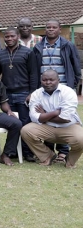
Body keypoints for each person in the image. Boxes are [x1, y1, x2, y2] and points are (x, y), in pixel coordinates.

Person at [32, 19, 81, 164]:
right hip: (45, 89)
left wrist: (73, 85)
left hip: (63, 88)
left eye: (54, 27)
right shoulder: (38, 47)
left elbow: (76, 66)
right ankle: (49, 150)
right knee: (46, 116)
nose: (51, 29)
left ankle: (63, 151)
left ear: (60, 29)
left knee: (64, 118)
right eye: (48, 27)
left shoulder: (68, 45)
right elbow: (35, 69)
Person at [21, 70, 83, 169]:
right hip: (47, 127)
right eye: (45, 80)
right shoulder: (36, 94)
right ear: (41, 81)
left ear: (58, 80)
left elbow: (65, 118)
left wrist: (44, 115)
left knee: (81, 138)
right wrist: (54, 113)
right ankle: (47, 156)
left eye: (51, 80)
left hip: (68, 127)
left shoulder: (68, 92)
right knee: (26, 131)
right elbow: (34, 117)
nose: (48, 82)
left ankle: (70, 161)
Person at [0, 27, 39, 161]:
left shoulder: (28, 53)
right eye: (6, 37)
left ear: (18, 36)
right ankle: (12, 151)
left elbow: (34, 74)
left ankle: (27, 152)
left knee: (25, 124)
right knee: (12, 124)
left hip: (24, 93)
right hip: (7, 95)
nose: (9, 39)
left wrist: (32, 92)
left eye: (12, 36)